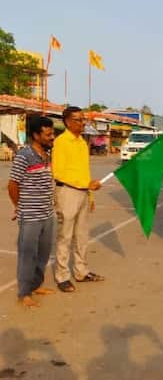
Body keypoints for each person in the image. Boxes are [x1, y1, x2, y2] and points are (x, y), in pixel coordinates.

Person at [52, 106, 104, 293]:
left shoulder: (82, 142)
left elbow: (83, 170)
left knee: (82, 236)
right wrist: (85, 183)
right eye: (78, 120)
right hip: (67, 192)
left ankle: (81, 271)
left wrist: (90, 192)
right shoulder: (61, 142)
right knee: (65, 236)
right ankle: (62, 276)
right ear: (67, 122)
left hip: (83, 192)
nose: (82, 123)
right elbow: (59, 173)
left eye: (83, 120)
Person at [8, 116, 56, 308]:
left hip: (47, 214)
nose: (52, 137)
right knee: (27, 255)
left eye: (52, 133)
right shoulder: (24, 155)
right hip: (30, 215)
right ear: (36, 135)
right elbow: (12, 184)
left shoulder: (47, 154)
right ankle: (24, 293)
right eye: (48, 134)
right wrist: (18, 206)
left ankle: (36, 285)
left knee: (43, 254)